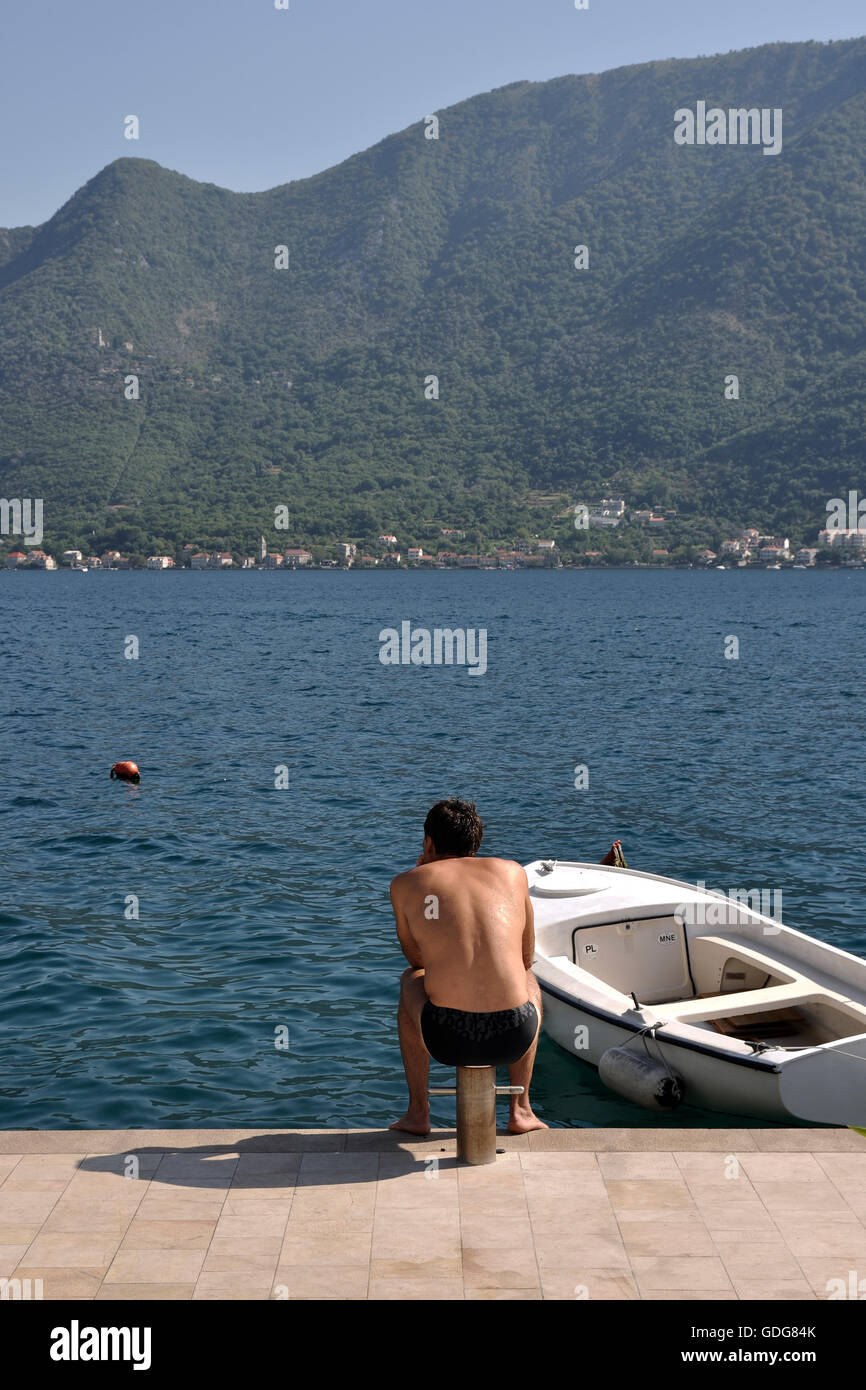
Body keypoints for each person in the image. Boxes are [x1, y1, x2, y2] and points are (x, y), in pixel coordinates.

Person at [388, 798, 547, 1136]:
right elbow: (526, 958)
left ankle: (418, 1112)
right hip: (514, 1033)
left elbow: (417, 962)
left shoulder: (406, 883)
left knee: (409, 980)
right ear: (476, 843)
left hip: (446, 1036)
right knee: (528, 979)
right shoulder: (514, 872)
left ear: (428, 843)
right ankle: (521, 1110)